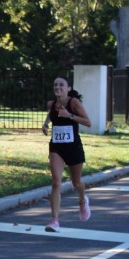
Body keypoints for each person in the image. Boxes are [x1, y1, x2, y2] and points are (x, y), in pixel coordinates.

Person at [41, 77, 92, 232]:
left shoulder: (73, 103)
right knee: (56, 182)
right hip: (56, 147)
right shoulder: (52, 104)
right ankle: (54, 221)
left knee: (77, 183)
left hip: (73, 147)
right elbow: (51, 113)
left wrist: (69, 115)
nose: (58, 87)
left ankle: (82, 200)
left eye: (61, 85)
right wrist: (46, 123)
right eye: (55, 84)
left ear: (68, 88)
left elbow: (88, 122)